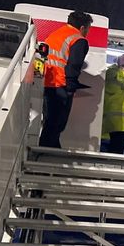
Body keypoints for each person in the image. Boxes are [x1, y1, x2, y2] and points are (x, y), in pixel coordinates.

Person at [39, 11, 93, 148]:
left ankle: (50, 153)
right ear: (82, 28)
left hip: (47, 83)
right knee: (57, 124)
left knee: (49, 123)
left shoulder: (55, 34)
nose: (88, 32)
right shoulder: (78, 39)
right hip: (61, 85)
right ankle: (45, 157)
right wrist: (70, 88)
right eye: (88, 29)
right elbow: (74, 65)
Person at [101, 54, 124, 154]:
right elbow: (113, 89)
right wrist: (123, 72)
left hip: (123, 120)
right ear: (118, 61)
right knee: (115, 147)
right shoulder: (111, 72)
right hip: (116, 119)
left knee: (118, 147)